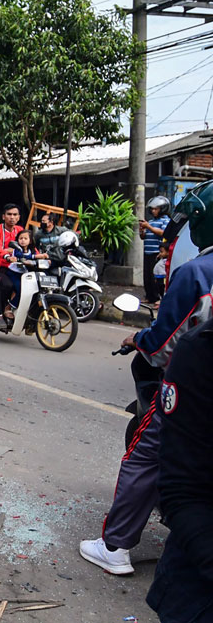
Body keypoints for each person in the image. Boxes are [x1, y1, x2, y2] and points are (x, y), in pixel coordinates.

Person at [79, 180, 213, 577]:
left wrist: (138, 337)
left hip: (194, 391)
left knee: (146, 456)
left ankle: (115, 545)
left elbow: (164, 346)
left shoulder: (197, 274)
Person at [145, 318, 213, 621]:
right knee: (139, 458)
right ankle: (115, 544)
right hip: (197, 588)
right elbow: (183, 488)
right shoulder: (202, 348)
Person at [0, 204, 24, 318]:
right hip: (1, 267)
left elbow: (29, 245)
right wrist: (7, 256)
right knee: (7, 285)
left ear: (19, 217)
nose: (12, 217)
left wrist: (41, 255)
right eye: (9, 214)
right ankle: (0, 312)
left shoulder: (20, 230)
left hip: (18, 267)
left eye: (15, 215)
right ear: (3, 217)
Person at [4, 230, 48, 309]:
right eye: (21, 238)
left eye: (25, 238)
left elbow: (35, 257)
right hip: (14, 273)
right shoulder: (17, 249)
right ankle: (9, 307)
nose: (23, 240)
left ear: (30, 241)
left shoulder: (31, 250)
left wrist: (45, 259)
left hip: (25, 274)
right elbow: (22, 257)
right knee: (21, 289)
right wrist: (36, 257)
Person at [141, 196, 171, 303]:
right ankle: (149, 296)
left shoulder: (166, 221)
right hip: (148, 251)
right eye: (152, 209)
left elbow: (163, 233)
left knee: (156, 276)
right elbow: (144, 237)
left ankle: (157, 297)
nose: (153, 211)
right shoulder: (151, 221)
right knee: (147, 276)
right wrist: (143, 231)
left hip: (157, 253)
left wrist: (148, 227)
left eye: (156, 209)